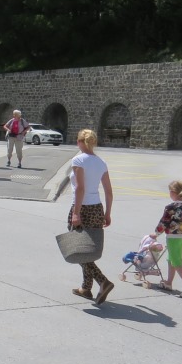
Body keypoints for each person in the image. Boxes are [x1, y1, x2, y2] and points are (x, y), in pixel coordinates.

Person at [68, 128, 116, 305]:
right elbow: (109, 191)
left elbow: (80, 188)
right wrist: (107, 213)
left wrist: (76, 213)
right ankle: (86, 288)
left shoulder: (78, 160)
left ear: (81, 142)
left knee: (77, 248)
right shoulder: (101, 162)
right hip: (97, 208)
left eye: (77, 140)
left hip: (82, 207)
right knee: (87, 248)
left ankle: (103, 281)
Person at [156, 180, 182, 298]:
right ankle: (169, 282)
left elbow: (164, 222)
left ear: (173, 192)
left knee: (177, 263)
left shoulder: (171, 207)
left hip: (173, 236)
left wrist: (156, 233)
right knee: (171, 259)